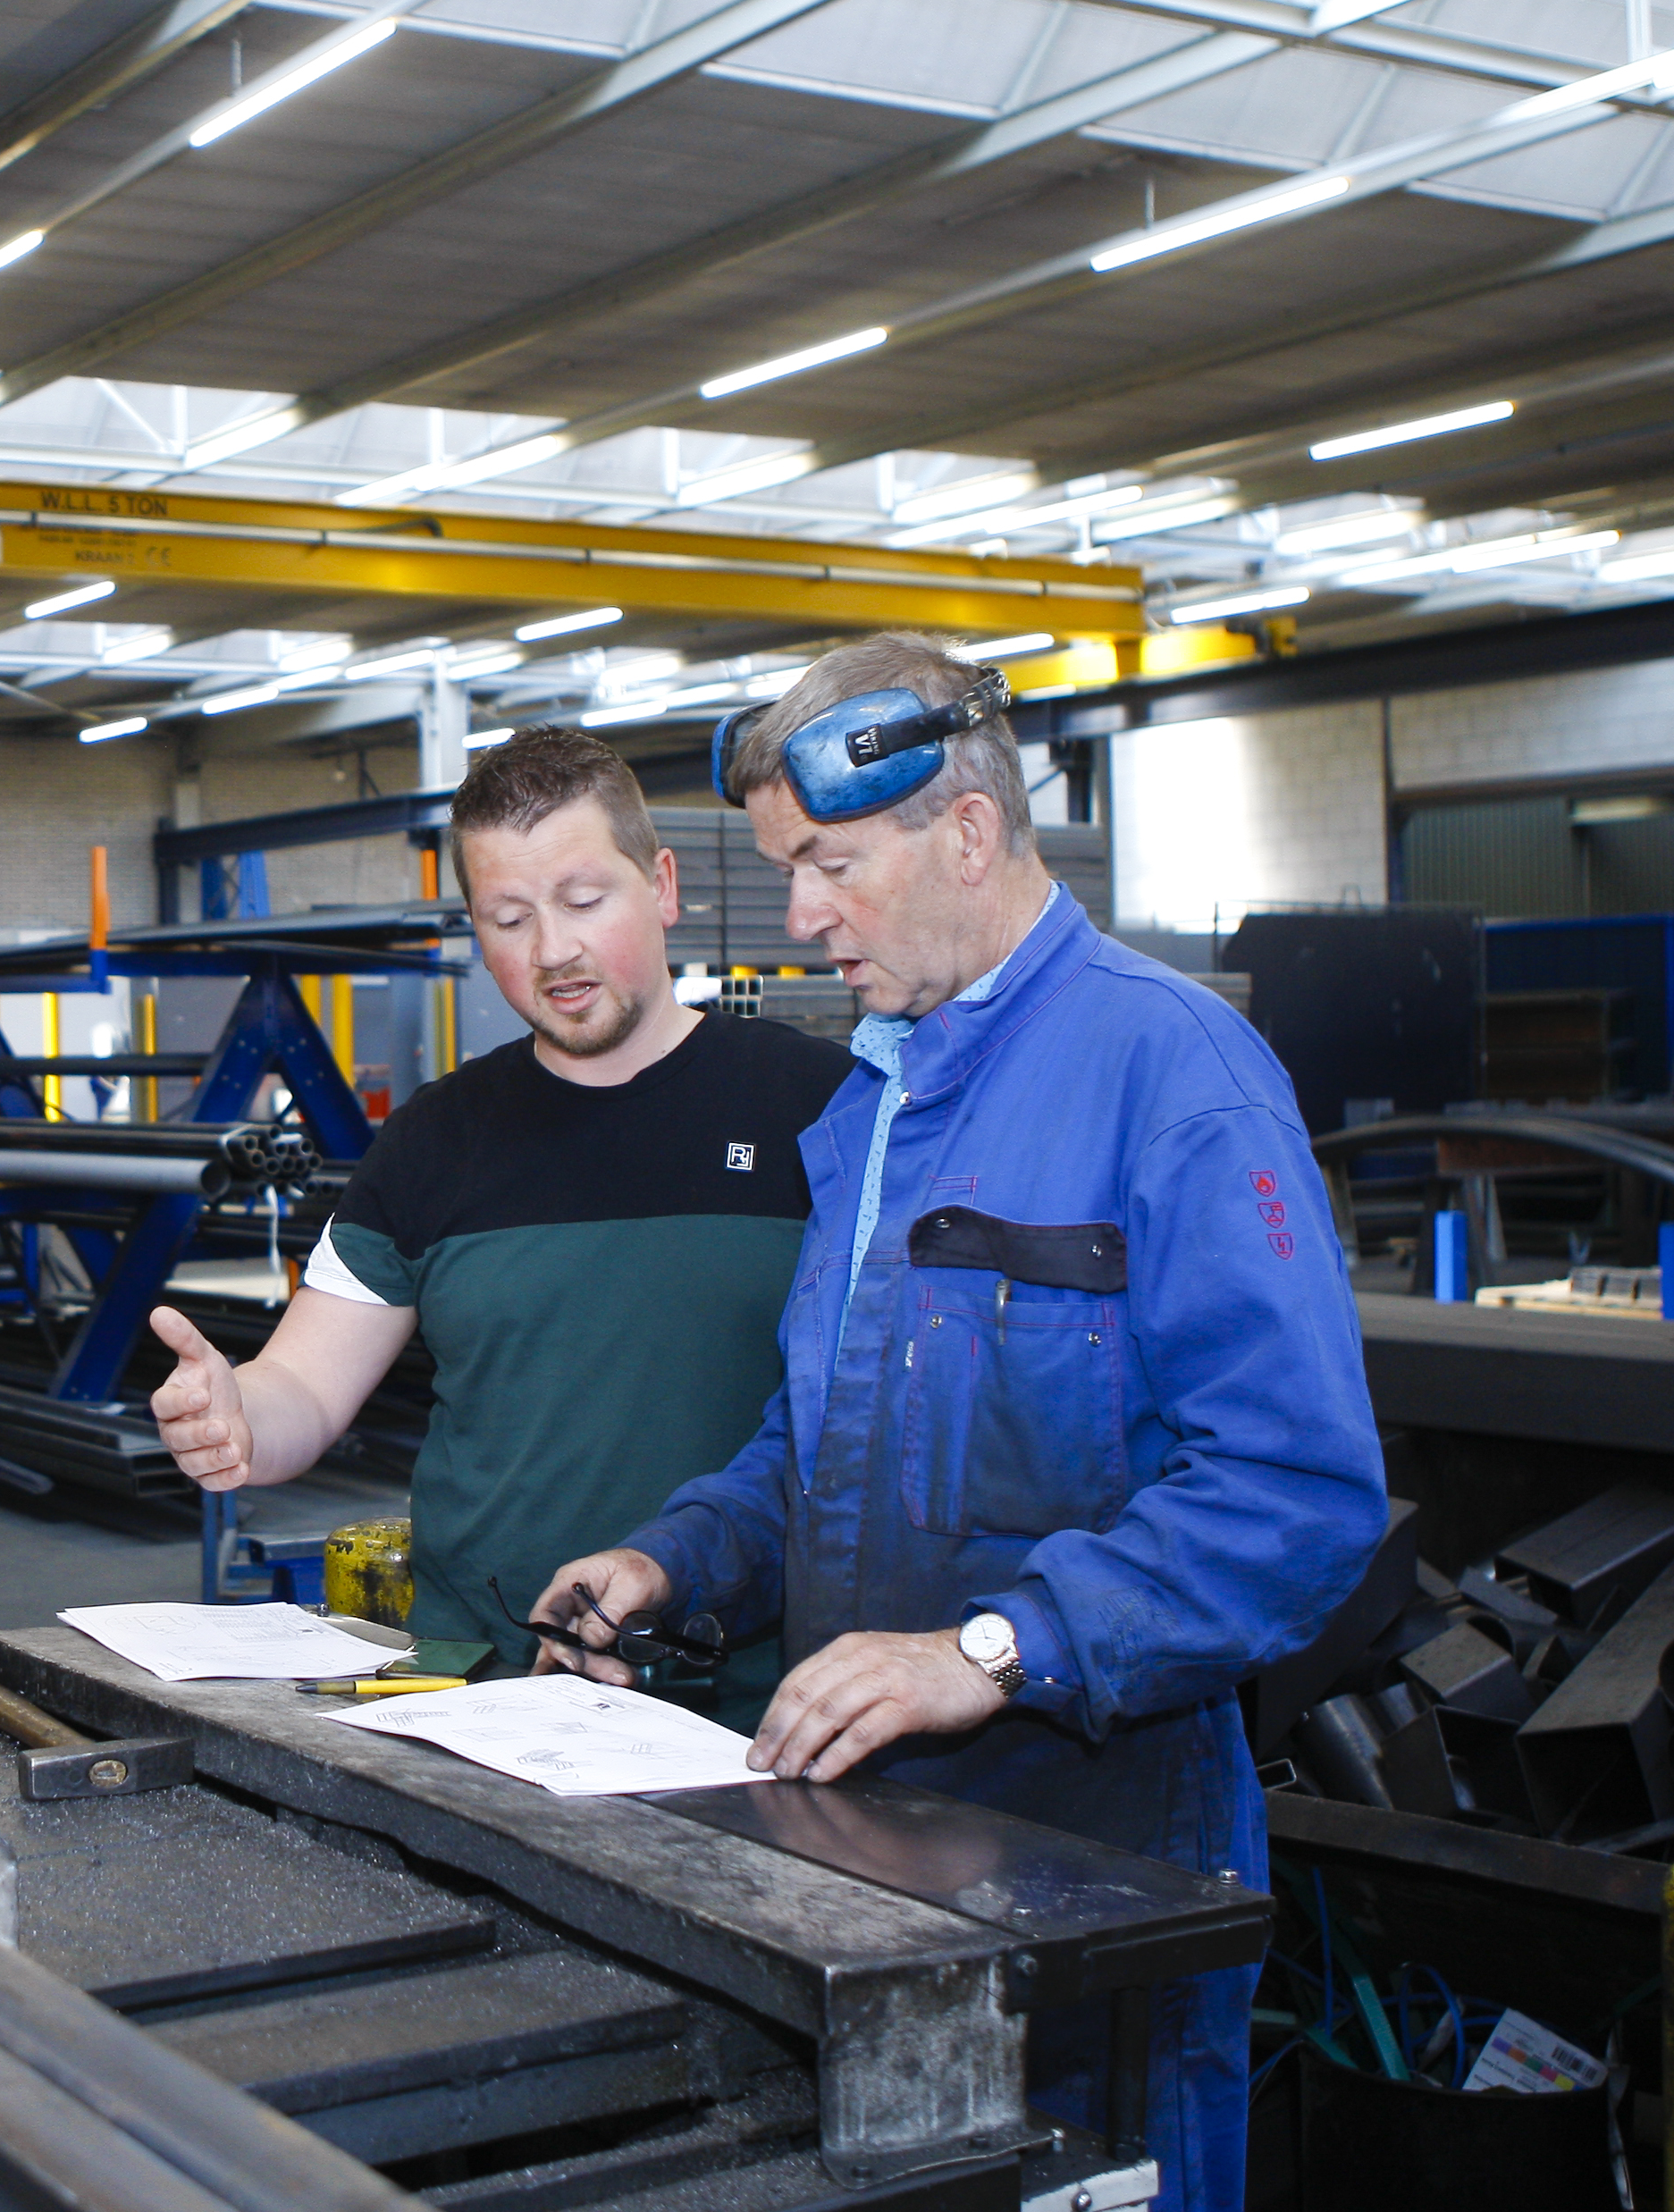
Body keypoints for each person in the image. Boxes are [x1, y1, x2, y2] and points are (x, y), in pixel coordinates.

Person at [530, 633, 1387, 2212]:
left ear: (969, 835)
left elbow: (1294, 1492)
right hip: (863, 1838)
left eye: (826, 865)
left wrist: (985, 1650)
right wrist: (673, 1564)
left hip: (1101, 1851)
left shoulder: (1172, 1071)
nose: (796, 917)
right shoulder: (872, 1106)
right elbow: (818, 1443)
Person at [147, 726, 850, 1711]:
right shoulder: (433, 1141)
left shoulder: (822, 1112)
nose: (552, 950)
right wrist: (237, 1419)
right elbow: (304, 1382)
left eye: (583, 901)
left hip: (749, 1704)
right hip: (479, 1689)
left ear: (665, 886)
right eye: (508, 917)